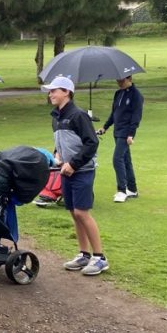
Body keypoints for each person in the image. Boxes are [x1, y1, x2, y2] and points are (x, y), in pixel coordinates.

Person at [43, 76, 109, 276]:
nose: (50, 94)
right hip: (66, 171)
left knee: (82, 213)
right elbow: (61, 142)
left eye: (54, 90)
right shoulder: (56, 117)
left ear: (67, 92)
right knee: (73, 212)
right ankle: (84, 254)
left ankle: (100, 258)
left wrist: (73, 164)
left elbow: (91, 143)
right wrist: (57, 155)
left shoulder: (78, 115)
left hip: (82, 170)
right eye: (50, 91)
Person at [96, 74, 144, 203]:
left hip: (126, 132)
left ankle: (122, 190)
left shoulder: (136, 95)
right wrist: (105, 127)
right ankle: (132, 189)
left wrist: (131, 134)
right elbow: (114, 113)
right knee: (126, 160)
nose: (119, 82)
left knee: (117, 159)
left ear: (129, 79)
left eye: (121, 80)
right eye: (117, 80)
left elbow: (136, 116)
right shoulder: (118, 93)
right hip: (117, 131)